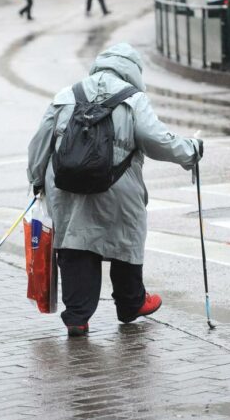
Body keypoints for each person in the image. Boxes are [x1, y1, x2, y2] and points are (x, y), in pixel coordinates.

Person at [27, 42, 203, 337]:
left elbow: (39, 142)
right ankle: (131, 304)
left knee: (74, 242)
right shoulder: (133, 100)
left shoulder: (66, 95)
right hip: (117, 189)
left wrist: (36, 181)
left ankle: (78, 317)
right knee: (124, 240)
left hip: (66, 188)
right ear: (133, 71)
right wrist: (191, 151)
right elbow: (157, 139)